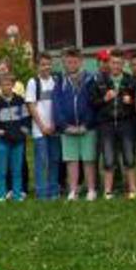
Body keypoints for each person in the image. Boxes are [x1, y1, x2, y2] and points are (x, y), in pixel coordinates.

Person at [91, 49, 136, 199]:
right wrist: (104, 99)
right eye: (113, 63)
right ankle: (108, 190)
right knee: (109, 157)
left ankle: (133, 188)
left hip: (126, 123)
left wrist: (131, 101)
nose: (116, 66)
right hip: (107, 124)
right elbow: (93, 103)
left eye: (119, 63)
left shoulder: (131, 80)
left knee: (129, 157)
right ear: (109, 63)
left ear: (123, 64)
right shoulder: (100, 80)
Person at [52, 47, 98, 199]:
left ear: (80, 62)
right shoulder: (60, 81)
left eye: (74, 61)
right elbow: (56, 105)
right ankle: (73, 190)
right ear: (64, 63)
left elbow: (93, 104)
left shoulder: (90, 79)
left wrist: (86, 124)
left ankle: (91, 189)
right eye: (68, 62)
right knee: (71, 160)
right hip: (68, 129)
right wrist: (64, 126)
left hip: (87, 128)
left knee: (88, 159)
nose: (71, 64)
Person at [0, 62, 29, 201]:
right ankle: (1, 194)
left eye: (9, 84)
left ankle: (17, 194)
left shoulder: (19, 100)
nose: (6, 87)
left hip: (18, 140)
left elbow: (26, 118)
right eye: (3, 85)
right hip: (2, 140)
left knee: (17, 170)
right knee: (2, 170)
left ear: (13, 85)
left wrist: (24, 131)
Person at [25, 54, 60, 200]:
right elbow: (31, 106)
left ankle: (53, 190)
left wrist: (54, 124)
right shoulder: (33, 82)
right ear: (37, 66)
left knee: (54, 159)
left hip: (54, 128)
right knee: (41, 160)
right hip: (40, 129)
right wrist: (42, 126)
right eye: (43, 64)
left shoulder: (55, 81)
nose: (46, 67)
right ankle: (41, 192)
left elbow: (58, 104)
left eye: (48, 64)